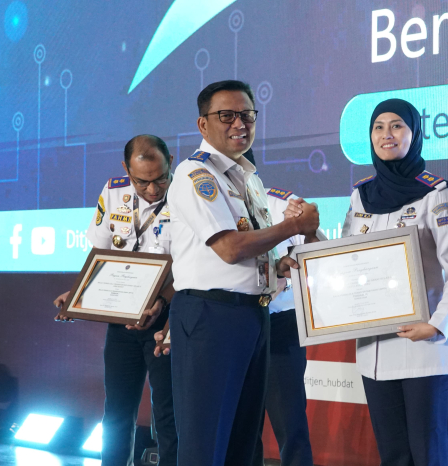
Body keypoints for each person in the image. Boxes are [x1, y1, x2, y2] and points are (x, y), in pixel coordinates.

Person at [166, 80, 319, 466]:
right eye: (227, 116)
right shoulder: (194, 174)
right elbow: (230, 248)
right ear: (203, 125)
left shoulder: (247, 177)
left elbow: (250, 248)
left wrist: (277, 265)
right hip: (210, 317)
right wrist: (292, 227)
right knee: (205, 446)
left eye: (247, 115)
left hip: (253, 315)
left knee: (242, 444)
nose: (240, 124)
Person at [339, 98, 448, 466]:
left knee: (429, 456)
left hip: (427, 350)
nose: (387, 134)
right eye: (378, 127)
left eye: (397, 125)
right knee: (394, 457)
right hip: (374, 352)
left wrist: (435, 325)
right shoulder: (361, 195)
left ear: (414, 133)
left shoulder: (435, 192)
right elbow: (345, 262)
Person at [54, 135, 178, 466]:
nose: (153, 189)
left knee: (167, 415)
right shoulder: (113, 190)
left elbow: (190, 267)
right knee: (117, 413)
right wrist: (79, 293)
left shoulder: (187, 197)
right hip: (121, 322)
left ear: (171, 162)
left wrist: (161, 305)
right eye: (143, 181)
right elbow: (101, 251)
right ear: (126, 169)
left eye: (161, 178)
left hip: (165, 323)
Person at [251, 180, 321, 466]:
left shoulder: (284, 204)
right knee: (241, 425)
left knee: (290, 423)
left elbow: (317, 254)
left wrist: (289, 262)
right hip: (232, 323)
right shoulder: (213, 204)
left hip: (279, 322)